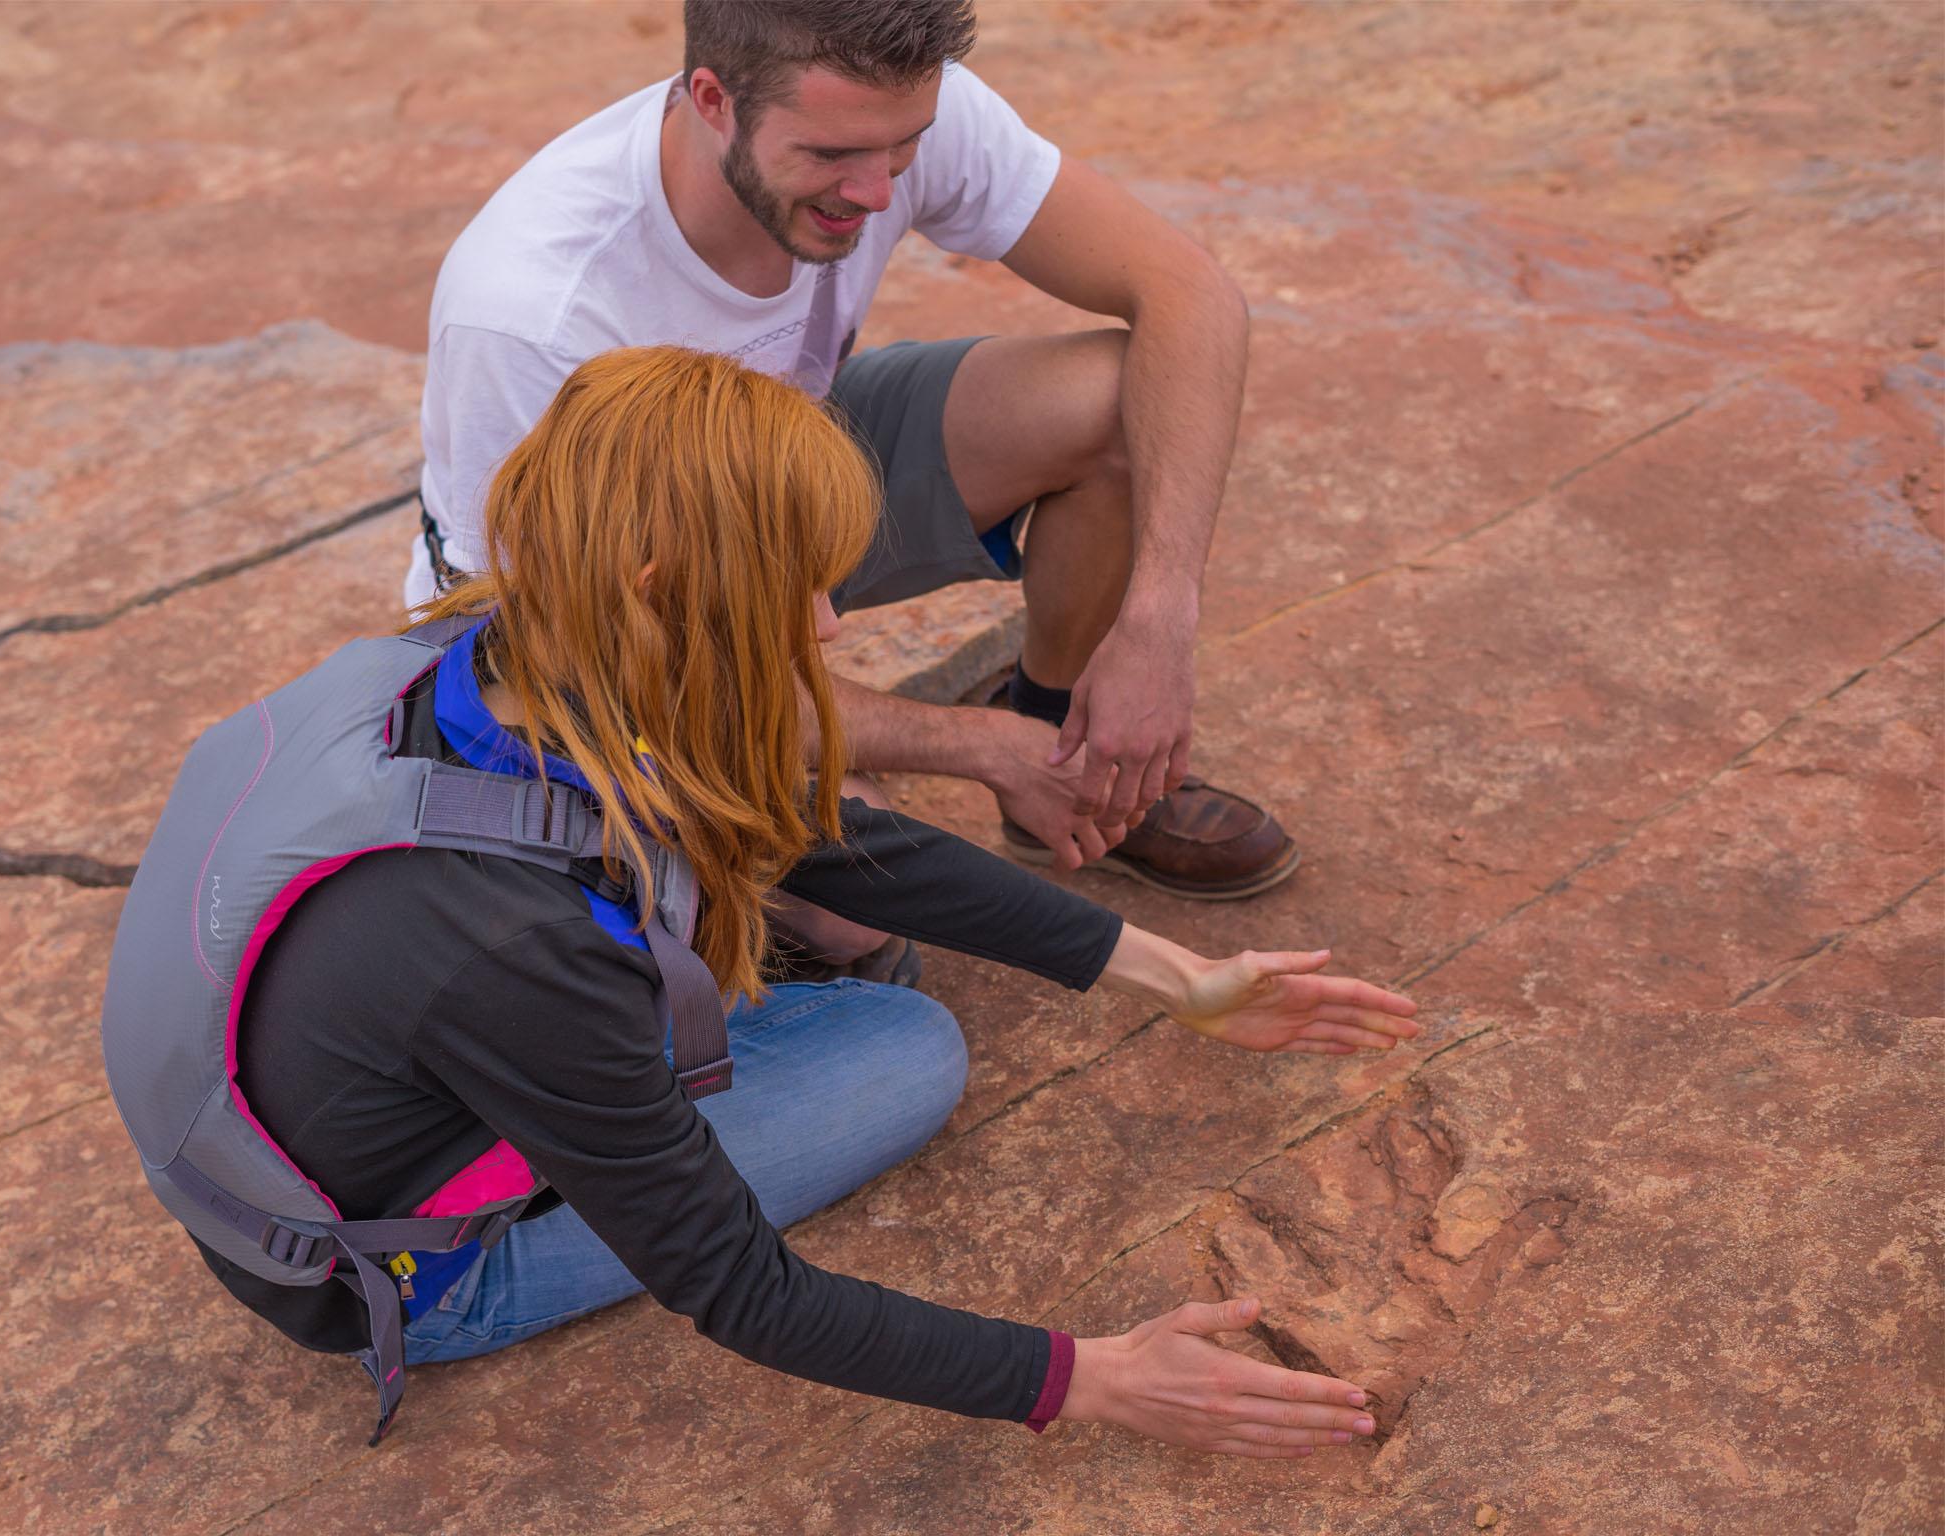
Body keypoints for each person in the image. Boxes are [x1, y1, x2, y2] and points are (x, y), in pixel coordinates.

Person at [194, 347, 1420, 1456]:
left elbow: (808, 831)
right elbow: (737, 1288)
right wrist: (1089, 1380)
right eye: (800, 586)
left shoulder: (497, 650)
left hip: (326, 1108)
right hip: (400, 1269)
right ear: (658, 581)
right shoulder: (510, 952)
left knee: (799, 928)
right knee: (900, 1047)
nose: (829, 625)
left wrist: (1174, 978)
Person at [410, 0, 1293, 966]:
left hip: (796, 467)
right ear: (712, 99)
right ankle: (1004, 765)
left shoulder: (885, 114)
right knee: (862, 910)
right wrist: (973, 745)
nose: (876, 194)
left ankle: (1064, 753)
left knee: (1117, 400)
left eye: (905, 146)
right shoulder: (536, 310)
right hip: (610, 620)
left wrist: (1160, 619)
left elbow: (1190, 292)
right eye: (833, 155)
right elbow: (593, 658)